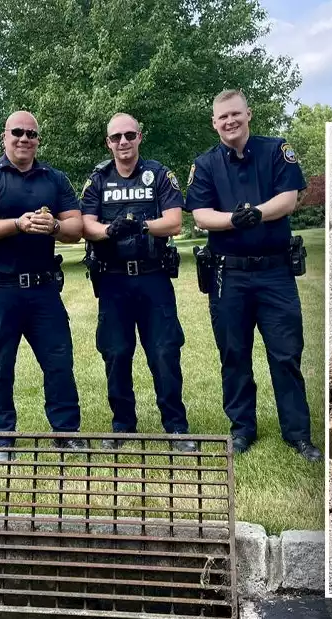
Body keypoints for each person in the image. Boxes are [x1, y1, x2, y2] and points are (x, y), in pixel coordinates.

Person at [185, 89, 320, 461]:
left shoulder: (276, 151)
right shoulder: (206, 164)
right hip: (229, 277)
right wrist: (233, 219)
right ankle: (242, 430)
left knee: (286, 354)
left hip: (276, 273)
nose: (229, 122)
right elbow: (200, 215)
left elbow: (289, 199)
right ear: (214, 123)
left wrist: (256, 213)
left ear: (249, 114)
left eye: (235, 114)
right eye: (222, 117)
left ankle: (298, 435)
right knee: (234, 354)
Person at [0, 111, 86, 458]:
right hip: (0, 290)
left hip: (44, 289)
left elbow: (76, 227)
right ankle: (2, 437)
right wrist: (17, 223)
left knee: (59, 362)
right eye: (17, 132)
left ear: (38, 140)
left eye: (31, 133)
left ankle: (67, 432)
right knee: (0, 364)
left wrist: (55, 228)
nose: (24, 138)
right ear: (4, 136)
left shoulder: (55, 179)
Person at [80, 113, 195, 452]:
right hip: (113, 281)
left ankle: (176, 428)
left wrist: (142, 226)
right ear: (108, 143)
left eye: (129, 135)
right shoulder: (98, 179)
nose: (123, 142)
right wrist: (108, 230)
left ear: (139, 136)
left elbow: (174, 222)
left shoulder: (159, 174)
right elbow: (86, 224)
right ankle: (123, 427)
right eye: (116, 137)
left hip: (153, 278)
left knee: (164, 352)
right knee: (115, 353)